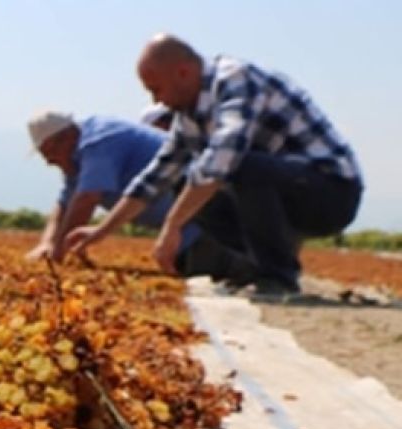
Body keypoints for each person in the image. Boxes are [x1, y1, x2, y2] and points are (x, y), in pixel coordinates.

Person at [66, 34, 363, 293]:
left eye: (157, 89)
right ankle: (256, 267)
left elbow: (223, 158)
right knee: (185, 180)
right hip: (286, 194)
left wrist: (172, 225)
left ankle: (278, 276)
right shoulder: (189, 115)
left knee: (240, 167)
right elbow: (155, 177)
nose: (157, 102)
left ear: (182, 72)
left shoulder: (236, 79)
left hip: (330, 192)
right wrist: (100, 231)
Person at [25, 111, 254, 281]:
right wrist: (47, 242)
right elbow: (65, 202)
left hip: (206, 214)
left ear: (65, 138)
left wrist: (58, 255)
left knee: (211, 266)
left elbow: (87, 198)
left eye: (49, 152)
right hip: (183, 226)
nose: (49, 161)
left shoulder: (99, 141)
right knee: (188, 264)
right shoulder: (75, 157)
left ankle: (253, 261)